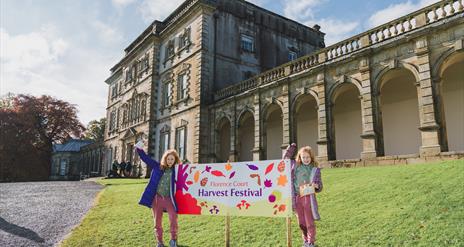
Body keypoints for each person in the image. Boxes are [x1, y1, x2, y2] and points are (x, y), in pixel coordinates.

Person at [134, 140, 179, 247]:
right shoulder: (158, 166)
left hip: (170, 200)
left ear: (175, 160)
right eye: (168, 159)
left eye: (172, 159)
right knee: (157, 222)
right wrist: (139, 148)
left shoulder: (177, 170)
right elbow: (146, 159)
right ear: (165, 159)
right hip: (157, 199)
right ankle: (159, 242)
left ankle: (173, 240)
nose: (170, 161)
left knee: (173, 219)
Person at [284, 144, 323, 247]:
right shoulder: (295, 166)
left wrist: (316, 186)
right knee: (301, 222)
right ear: (300, 158)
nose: (306, 159)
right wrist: (291, 149)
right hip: (297, 198)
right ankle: (305, 240)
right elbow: (285, 159)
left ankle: (311, 242)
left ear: (311, 157)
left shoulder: (315, 170)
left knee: (309, 222)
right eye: (303, 157)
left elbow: (320, 186)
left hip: (308, 199)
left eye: (308, 157)